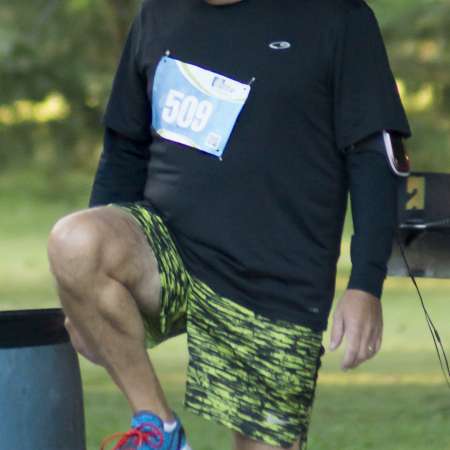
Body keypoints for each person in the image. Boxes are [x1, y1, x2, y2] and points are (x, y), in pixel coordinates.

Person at [47, 0, 411, 449]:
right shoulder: (158, 13)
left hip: (274, 288)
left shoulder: (337, 17)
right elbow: (125, 147)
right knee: (75, 240)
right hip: (167, 255)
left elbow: (376, 158)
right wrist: (84, 296)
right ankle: (158, 429)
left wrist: (366, 283)